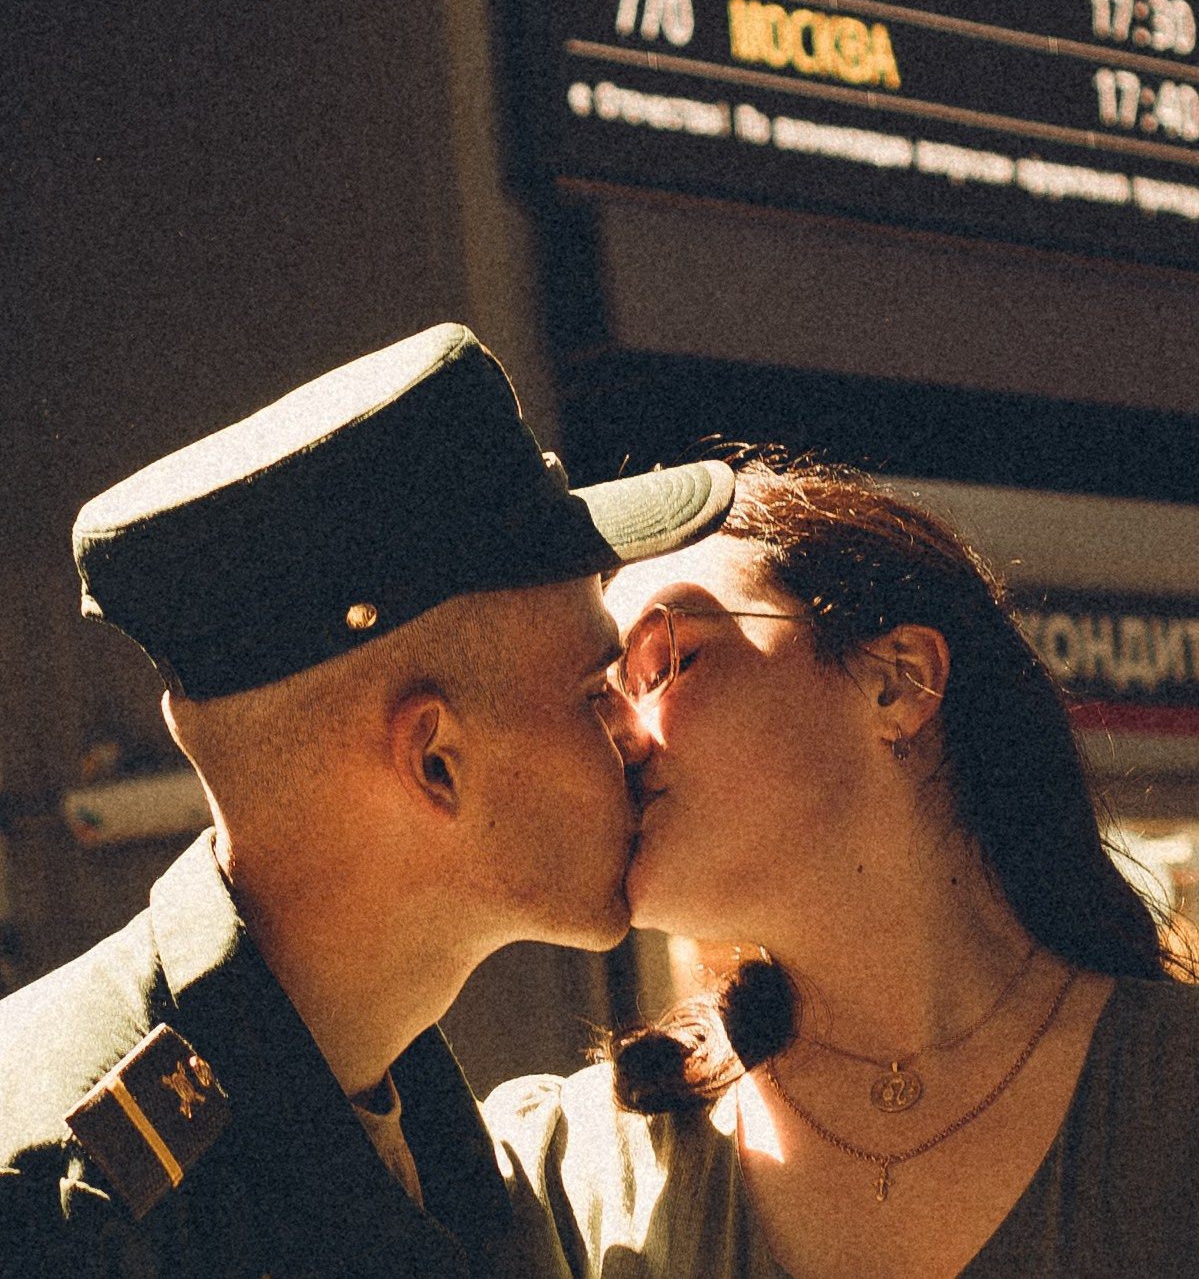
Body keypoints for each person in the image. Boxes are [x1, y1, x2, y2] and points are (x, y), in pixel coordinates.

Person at [0, 322, 735, 1278]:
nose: (639, 733)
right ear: (436, 763)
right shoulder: (68, 1210)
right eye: (596, 690)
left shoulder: (401, 1101)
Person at [487, 448, 1199, 1279]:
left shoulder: (1168, 1101)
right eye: (595, 698)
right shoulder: (572, 1170)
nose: (617, 738)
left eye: (664, 663)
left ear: (896, 682)